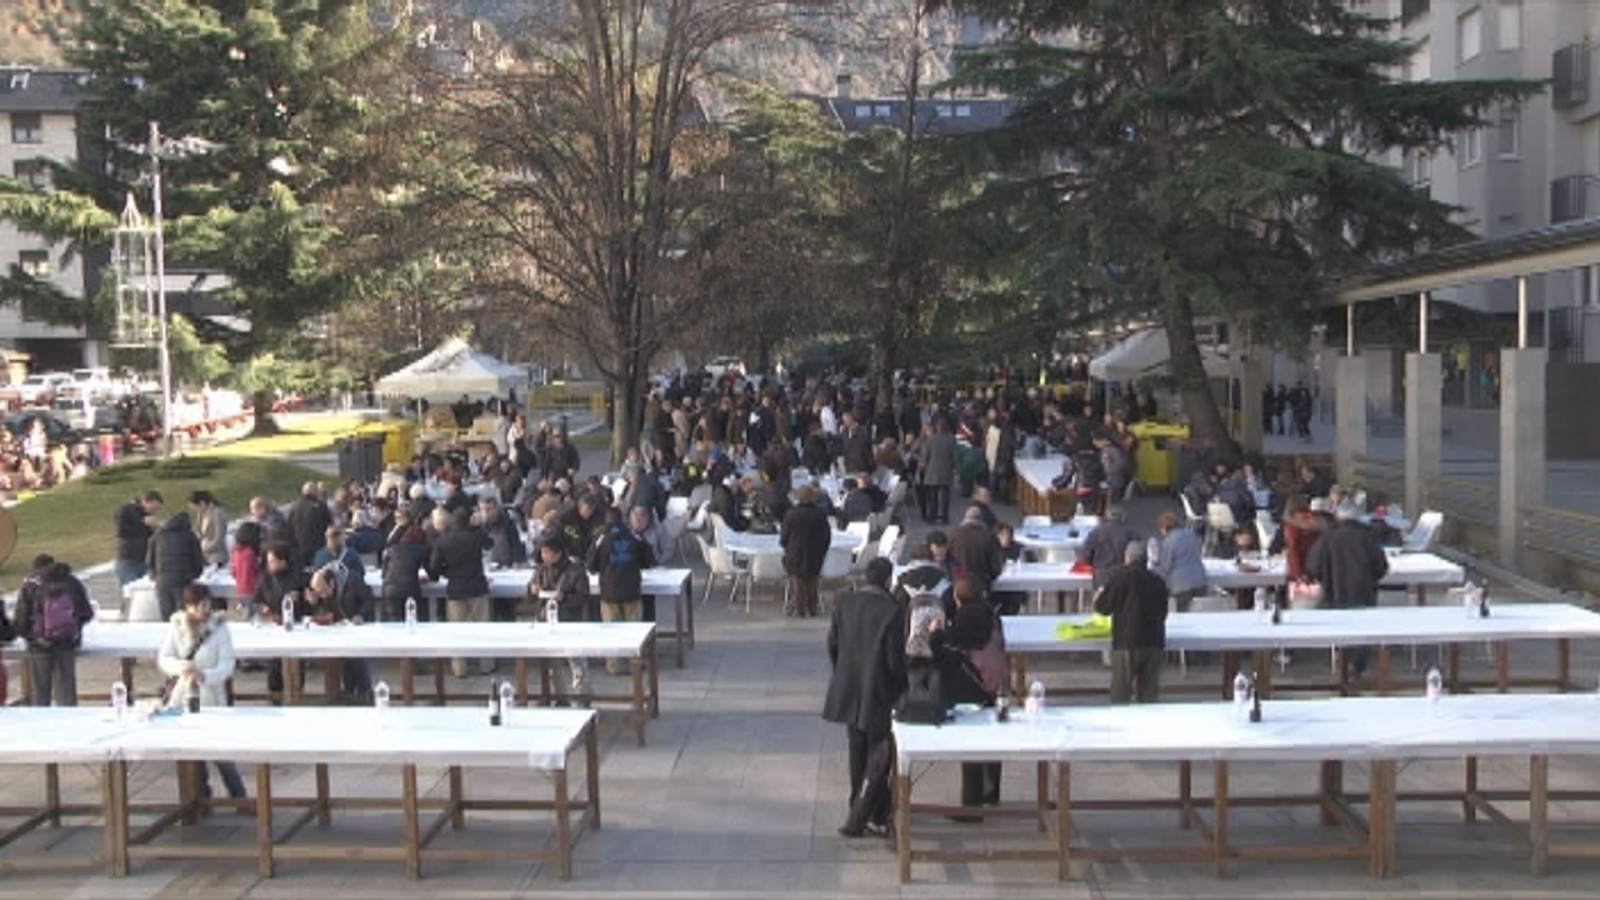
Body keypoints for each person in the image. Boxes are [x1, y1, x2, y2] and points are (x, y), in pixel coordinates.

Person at [822, 557, 905, 838]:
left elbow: (833, 644)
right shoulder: (891, 611)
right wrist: (901, 687)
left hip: (848, 685)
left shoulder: (844, 604)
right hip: (878, 689)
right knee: (879, 754)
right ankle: (870, 814)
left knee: (857, 751)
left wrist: (841, 672)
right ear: (888, 580)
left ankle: (860, 806)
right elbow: (894, 660)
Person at [157, 584, 247, 803]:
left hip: (211, 696)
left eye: (207, 604)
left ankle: (238, 795)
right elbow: (164, 658)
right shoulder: (177, 627)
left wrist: (205, 676)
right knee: (191, 749)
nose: (204, 610)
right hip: (184, 695)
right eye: (199, 605)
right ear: (189, 607)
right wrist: (181, 667)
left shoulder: (219, 629)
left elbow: (227, 664)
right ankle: (199, 794)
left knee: (220, 750)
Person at [929, 576, 1005, 814]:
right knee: (992, 740)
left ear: (957, 598)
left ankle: (971, 805)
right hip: (993, 681)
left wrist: (935, 635)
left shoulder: (964, 620)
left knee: (971, 742)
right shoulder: (992, 615)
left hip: (971, 685)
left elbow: (948, 654)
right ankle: (992, 793)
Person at [1308, 505, 1389, 675]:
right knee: (1361, 629)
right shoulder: (1367, 537)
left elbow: (1313, 566)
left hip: (1334, 591)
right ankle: (1357, 664)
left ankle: (1340, 660)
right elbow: (1381, 567)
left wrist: (1325, 577)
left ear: (1338, 518)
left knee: (1338, 627)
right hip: (1363, 591)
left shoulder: (1328, 537)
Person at [1094, 541, 1169, 704]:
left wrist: (1098, 595)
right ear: (1145, 560)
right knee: (1149, 698)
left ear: (1127, 558)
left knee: (1121, 696)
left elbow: (1102, 608)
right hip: (1154, 643)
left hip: (1127, 643)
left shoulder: (1119, 579)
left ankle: (1121, 728)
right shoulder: (1158, 582)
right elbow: (1163, 613)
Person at [15, 555, 94, 706]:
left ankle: (41, 725)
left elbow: (21, 620)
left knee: (39, 693)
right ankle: (68, 724)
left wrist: (30, 637)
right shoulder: (72, 582)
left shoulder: (31, 584)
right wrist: (74, 629)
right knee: (66, 691)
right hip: (67, 643)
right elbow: (87, 613)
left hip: (39, 646)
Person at [588, 507, 656, 675]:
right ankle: (635, 663)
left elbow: (590, 565)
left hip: (609, 591)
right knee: (633, 631)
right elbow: (649, 560)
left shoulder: (600, 538)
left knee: (611, 631)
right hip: (631, 589)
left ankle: (613, 665)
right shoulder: (634, 536)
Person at [428, 508, 493, 678]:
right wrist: (478, 527)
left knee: (456, 631)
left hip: (456, 588)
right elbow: (489, 543)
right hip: (477, 586)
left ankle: (459, 667)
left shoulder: (443, 541)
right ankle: (486, 664)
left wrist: (444, 572)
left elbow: (434, 568)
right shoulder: (476, 536)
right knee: (483, 628)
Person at [530, 536, 592, 705]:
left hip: (570, 621)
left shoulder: (575, 570)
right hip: (547, 622)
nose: (544, 556)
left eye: (547, 553)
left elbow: (583, 596)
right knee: (552, 664)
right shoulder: (541, 570)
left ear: (558, 553)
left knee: (577, 662)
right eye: (542, 552)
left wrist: (565, 598)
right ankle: (559, 697)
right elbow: (530, 594)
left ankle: (582, 698)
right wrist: (532, 590)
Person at [304, 563, 375, 699]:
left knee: (356, 659)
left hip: (358, 627)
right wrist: (314, 603)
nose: (322, 595)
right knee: (346, 662)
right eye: (318, 592)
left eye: (323, 591)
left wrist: (361, 615)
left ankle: (365, 693)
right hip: (340, 629)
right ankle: (349, 693)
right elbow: (321, 608)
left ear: (331, 583)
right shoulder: (322, 589)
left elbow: (369, 600)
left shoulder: (352, 581)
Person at [781, 485, 832, 618]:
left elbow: (784, 536)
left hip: (795, 552)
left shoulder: (791, 514)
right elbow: (826, 536)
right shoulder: (820, 514)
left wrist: (786, 547)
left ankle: (799, 607)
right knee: (812, 581)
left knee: (798, 581)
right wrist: (823, 550)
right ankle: (812, 607)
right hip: (815, 552)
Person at [147, 511, 204, 621]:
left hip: (162, 580)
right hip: (182, 580)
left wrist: (154, 575)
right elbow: (197, 559)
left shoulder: (157, 535)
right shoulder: (189, 536)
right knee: (182, 616)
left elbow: (149, 560)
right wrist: (195, 575)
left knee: (166, 614)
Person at [1150, 510, 1207, 612]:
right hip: (1200, 582)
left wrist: (1152, 568)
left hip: (1181, 587)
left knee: (1182, 614)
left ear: (1164, 528)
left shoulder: (1168, 543)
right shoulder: (1191, 535)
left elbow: (1165, 568)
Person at [380, 511, 431, 623]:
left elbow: (384, 573)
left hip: (390, 588)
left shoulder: (392, 549)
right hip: (410, 587)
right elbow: (430, 571)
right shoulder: (421, 550)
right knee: (412, 619)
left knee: (393, 622)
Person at [1077, 506, 1139, 592]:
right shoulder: (1131, 533)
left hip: (1102, 577)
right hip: (1125, 577)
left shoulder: (1095, 532)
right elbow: (1139, 555)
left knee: (1103, 603)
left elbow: (1085, 557)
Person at [947, 505, 1004, 596]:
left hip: (959, 584)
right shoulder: (989, 537)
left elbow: (948, 559)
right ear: (981, 519)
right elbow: (996, 567)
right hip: (982, 584)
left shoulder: (953, 535)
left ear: (965, 518)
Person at [113, 489, 163, 587]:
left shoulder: (149, 515)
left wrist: (155, 529)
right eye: (153, 508)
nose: (154, 511)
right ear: (146, 501)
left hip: (145, 560)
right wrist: (142, 523)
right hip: (128, 559)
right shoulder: (125, 510)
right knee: (130, 591)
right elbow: (121, 531)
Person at [286, 482, 333, 569]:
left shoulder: (294, 506)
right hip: (318, 547)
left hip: (299, 547)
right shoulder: (321, 506)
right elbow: (329, 525)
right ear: (315, 492)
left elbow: (289, 526)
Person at [920, 418, 958, 524]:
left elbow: (926, 455)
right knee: (946, 496)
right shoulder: (952, 439)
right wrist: (955, 468)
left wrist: (924, 465)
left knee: (933, 496)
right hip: (946, 470)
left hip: (932, 470)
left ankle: (932, 516)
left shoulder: (931, 439)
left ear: (938, 427)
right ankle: (945, 517)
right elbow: (955, 456)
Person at [189, 490, 229, 568]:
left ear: (202, 503)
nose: (195, 510)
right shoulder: (201, 514)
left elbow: (219, 538)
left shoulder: (218, 513)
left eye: (195, 507)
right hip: (204, 556)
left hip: (217, 556)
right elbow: (199, 532)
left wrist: (204, 548)